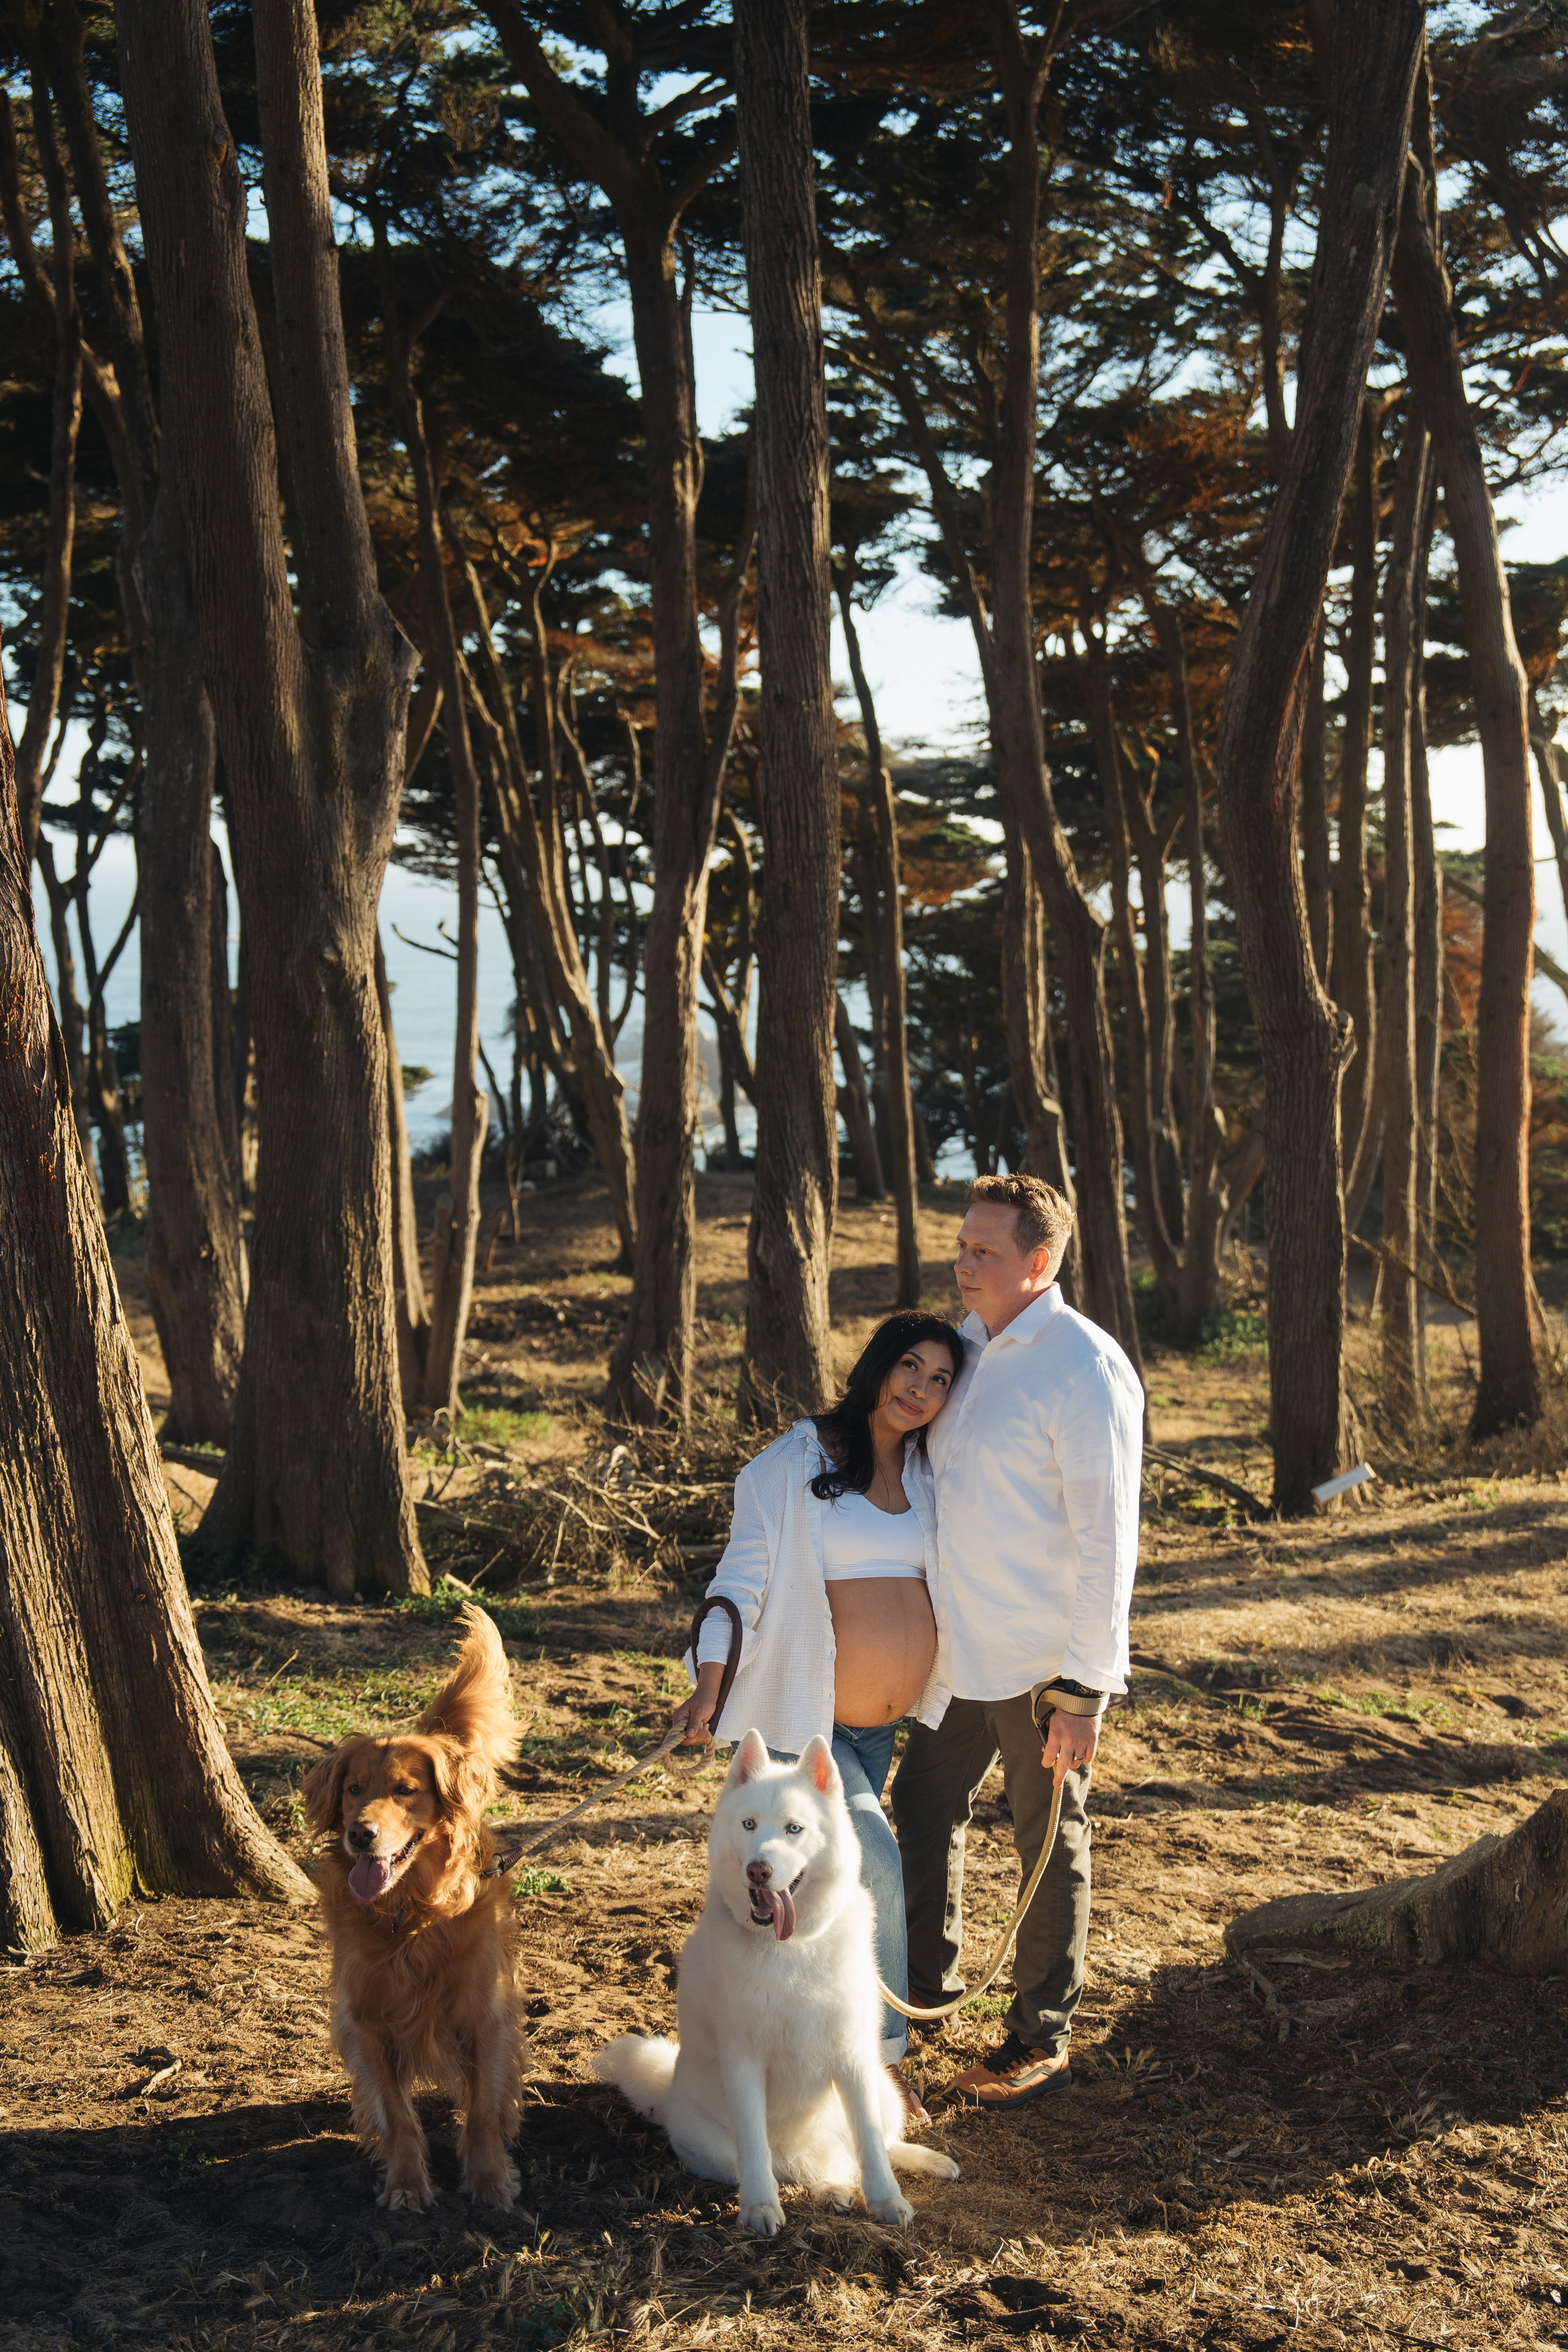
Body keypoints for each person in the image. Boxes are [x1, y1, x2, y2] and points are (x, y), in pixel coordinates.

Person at [892, 1173, 1142, 2109]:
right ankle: (925, 1989)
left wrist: (1086, 1689)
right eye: (960, 1247)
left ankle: (1041, 2036)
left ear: (1039, 1263)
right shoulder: (959, 1349)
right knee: (921, 1810)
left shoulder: (1083, 1365)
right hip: (954, 1649)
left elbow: (1110, 1534)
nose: (962, 1263)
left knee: (1045, 1842)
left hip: (1042, 1663)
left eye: (984, 1252)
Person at [673, 1311, 963, 2078]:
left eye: (939, 1380)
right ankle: (886, 2069)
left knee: (841, 1889)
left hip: (879, 1731)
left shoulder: (931, 1472)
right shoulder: (791, 1465)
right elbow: (736, 1587)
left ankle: (804, 2039)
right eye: (910, 1367)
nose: (921, 1389)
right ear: (876, 1365)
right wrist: (709, 1688)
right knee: (874, 1859)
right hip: (811, 1725)